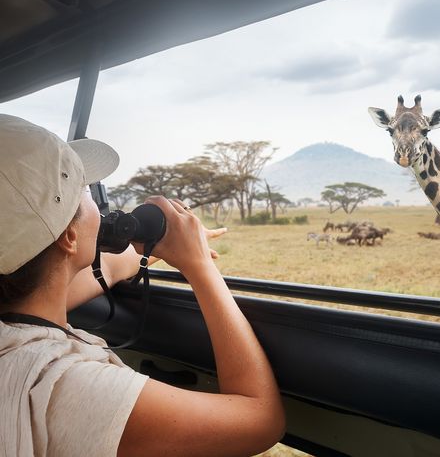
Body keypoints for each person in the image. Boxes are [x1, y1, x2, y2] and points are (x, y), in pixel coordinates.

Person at [0, 114, 285, 457]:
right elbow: (261, 421)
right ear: (69, 236)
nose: (99, 206)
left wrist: (161, 247)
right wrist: (200, 266)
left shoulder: (16, 312)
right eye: (84, 191)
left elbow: (97, 268)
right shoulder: (63, 386)